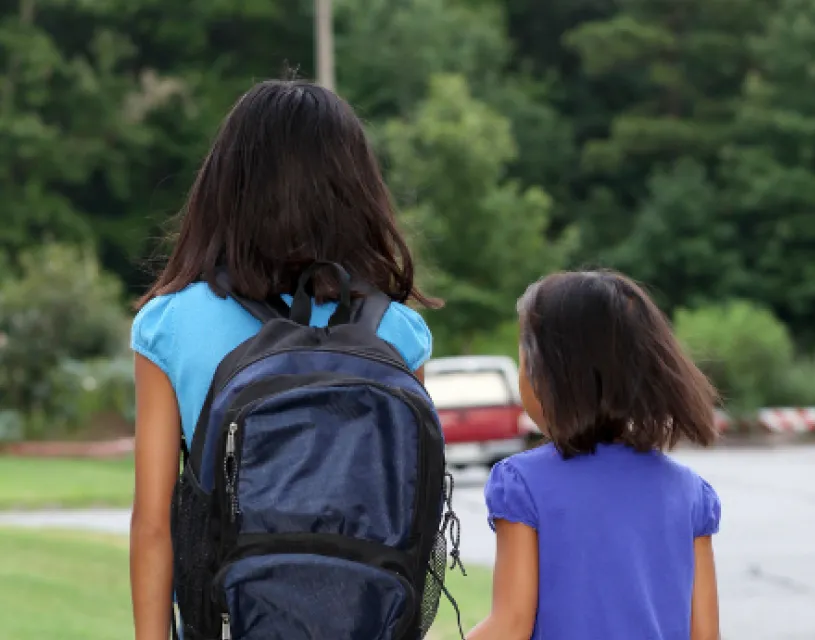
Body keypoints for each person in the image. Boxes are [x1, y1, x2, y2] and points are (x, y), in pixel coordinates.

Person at [128, 80, 440, 640]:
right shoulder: (397, 333)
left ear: (226, 186)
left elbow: (154, 526)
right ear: (355, 190)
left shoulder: (169, 324)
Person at [467, 270, 722, 640]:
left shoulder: (522, 483)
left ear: (548, 374)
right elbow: (705, 635)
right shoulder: (691, 493)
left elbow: (510, 625)